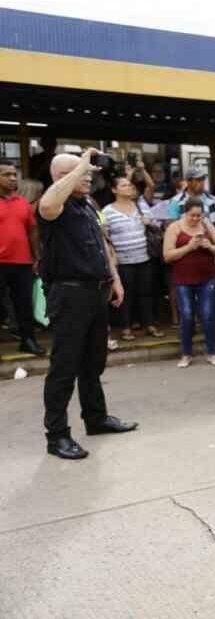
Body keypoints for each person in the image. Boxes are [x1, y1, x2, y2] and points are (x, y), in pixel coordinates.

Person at [36, 149, 138, 460]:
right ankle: (57, 436)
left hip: (96, 292)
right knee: (64, 367)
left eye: (89, 171)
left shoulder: (88, 204)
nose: (89, 175)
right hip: (69, 294)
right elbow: (49, 204)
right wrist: (78, 166)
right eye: (82, 172)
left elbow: (103, 243)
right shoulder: (53, 205)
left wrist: (115, 278)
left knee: (93, 363)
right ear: (62, 176)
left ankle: (96, 418)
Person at [163, 198, 215, 368]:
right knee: (187, 315)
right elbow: (167, 256)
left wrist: (209, 247)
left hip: (207, 277)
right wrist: (189, 247)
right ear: (185, 213)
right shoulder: (174, 228)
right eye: (192, 216)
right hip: (183, 278)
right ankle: (186, 354)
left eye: (199, 216)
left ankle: (212, 352)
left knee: (208, 314)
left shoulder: (207, 226)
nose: (196, 219)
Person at [102, 176, 163, 341]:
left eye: (129, 185)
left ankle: (149, 324)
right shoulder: (107, 211)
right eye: (124, 185)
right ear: (114, 190)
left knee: (146, 293)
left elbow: (158, 226)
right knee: (125, 295)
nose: (129, 187)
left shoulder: (141, 206)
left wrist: (149, 222)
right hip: (122, 260)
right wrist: (111, 257)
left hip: (144, 257)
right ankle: (126, 327)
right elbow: (104, 236)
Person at [0, 160, 45, 355]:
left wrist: (36, 257)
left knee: (25, 305)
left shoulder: (22, 203)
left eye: (13, 174)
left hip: (22, 263)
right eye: (6, 174)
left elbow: (33, 230)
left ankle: (28, 341)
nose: (12, 178)